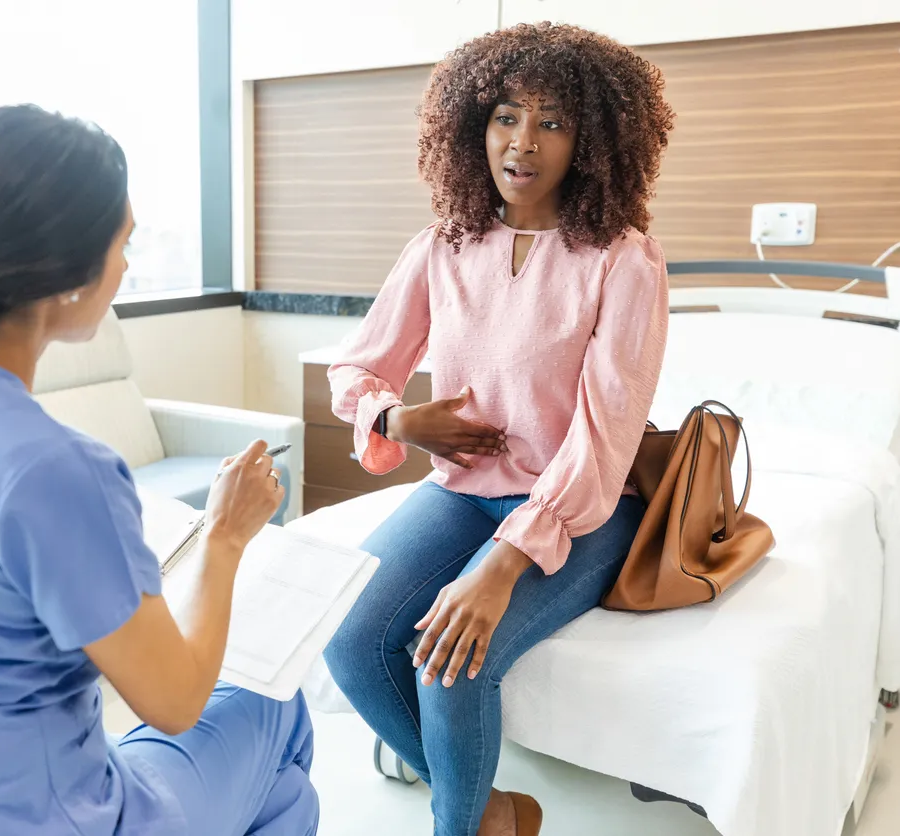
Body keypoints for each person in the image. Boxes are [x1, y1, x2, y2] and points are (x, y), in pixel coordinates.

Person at [0, 105, 317, 836]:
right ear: (67, 276)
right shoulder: (53, 467)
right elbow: (175, 701)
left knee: (284, 797)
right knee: (278, 710)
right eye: (124, 243)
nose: (127, 265)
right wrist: (225, 536)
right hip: (54, 819)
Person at [322, 23, 676, 836]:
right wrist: (400, 419)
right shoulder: (441, 247)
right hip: (460, 493)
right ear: (473, 126)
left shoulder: (623, 261)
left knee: (448, 667)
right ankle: (491, 817)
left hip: (578, 510)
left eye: (552, 121)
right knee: (349, 640)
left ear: (592, 140)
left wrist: (504, 564)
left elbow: (605, 433)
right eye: (506, 116)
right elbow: (357, 367)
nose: (523, 142)